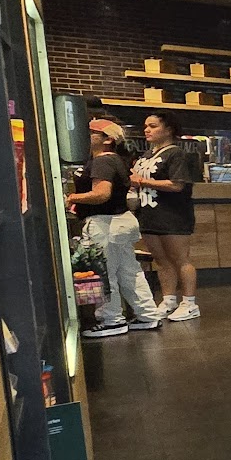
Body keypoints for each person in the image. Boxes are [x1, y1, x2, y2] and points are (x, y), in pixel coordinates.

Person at [67, 119, 162, 337]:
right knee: (130, 272)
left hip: (105, 223)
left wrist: (71, 198)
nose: (87, 135)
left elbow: (101, 194)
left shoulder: (102, 161)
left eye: (92, 132)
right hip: (122, 221)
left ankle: (111, 320)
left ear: (107, 139)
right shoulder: (116, 159)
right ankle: (148, 314)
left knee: (103, 274)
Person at [129, 111, 203, 322]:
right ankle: (168, 300)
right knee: (161, 260)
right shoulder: (146, 155)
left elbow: (177, 184)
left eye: (153, 126)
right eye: (146, 126)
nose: (147, 130)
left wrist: (142, 182)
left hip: (173, 214)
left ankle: (189, 303)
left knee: (180, 259)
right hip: (148, 213)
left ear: (168, 129)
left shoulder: (175, 154)